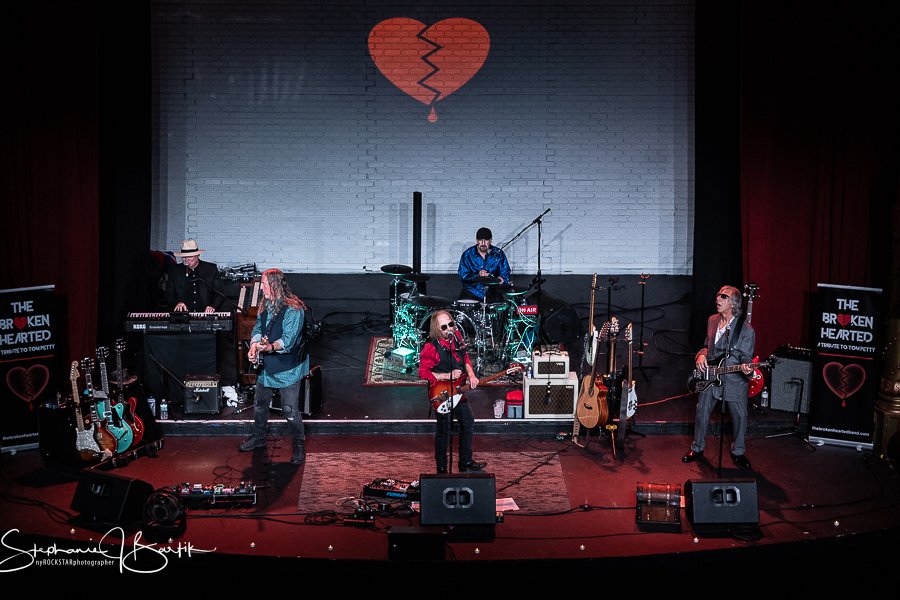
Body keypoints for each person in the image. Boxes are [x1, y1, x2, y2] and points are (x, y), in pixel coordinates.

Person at [240, 269, 308, 465]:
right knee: (260, 404)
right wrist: (254, 346)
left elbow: (288, 341)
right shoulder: (265, 304)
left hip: (288, 368)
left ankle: (298, 444)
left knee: (289, 410)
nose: (261, 288)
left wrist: (269, 347)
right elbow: (258, 328)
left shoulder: (294, 309)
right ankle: (259, 437)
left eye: (264, 284)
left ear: (275, 285)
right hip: (267, 367)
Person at [682, 286, 756, 470]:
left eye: (723, 296)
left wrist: (747, 368)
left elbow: (746, 358)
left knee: (740, 417)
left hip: (734, 380)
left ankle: (738, 452)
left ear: (734, 303)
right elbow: (707, 347)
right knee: (701, 412)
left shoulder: (746, 330)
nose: (718, 299)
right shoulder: (712, 320)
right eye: (718, 295)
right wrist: (701, 355)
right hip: (710, 377)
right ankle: (697, 448)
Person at [419, 310, 487, 473]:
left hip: (458, 390)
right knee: (444, 430)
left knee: (468, 422)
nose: (449, 329)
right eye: (444, 327)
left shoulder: (456, 336)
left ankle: (465, 461)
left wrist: (471, 375)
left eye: (451, 324)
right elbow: (423, 373)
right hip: (441, 393)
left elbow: (465, 358)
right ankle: (442, 467)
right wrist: (446, 375)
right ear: (437, 329)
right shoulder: (430, 347)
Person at [165, 239, 225, 313]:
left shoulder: (211, 269)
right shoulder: (175, 270)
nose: (186, 259)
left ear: (198, 255)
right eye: (184, 257)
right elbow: (169, 294)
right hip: (183, 315)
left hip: (206, 315)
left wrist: (213, 307)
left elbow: (220, 294)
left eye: (189, 256)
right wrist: (177, 303)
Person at [458, 227, 511, 303]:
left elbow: (505, 272)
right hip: (472, 291)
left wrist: (502, 279)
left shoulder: (498, 254)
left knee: (501, 307)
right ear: (477, 241)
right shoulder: (467, 255)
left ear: (490, 240)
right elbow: (463, 276)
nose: (483, 243)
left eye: (486, 240)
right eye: (480, 240)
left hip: (493, 291)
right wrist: (478, 275)